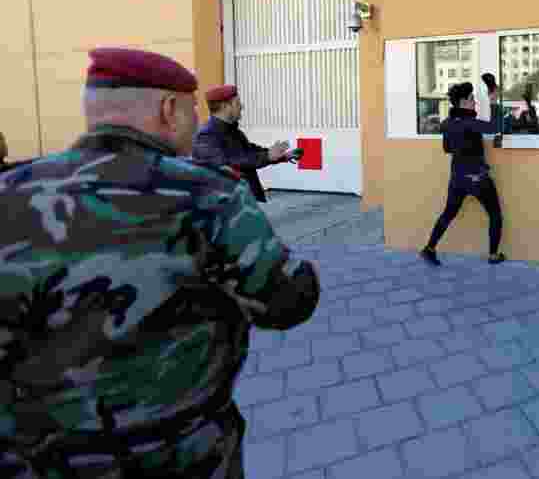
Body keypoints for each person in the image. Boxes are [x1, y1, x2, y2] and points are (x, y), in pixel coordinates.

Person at [0, 48, 320, 478]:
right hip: (185, 455)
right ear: (170, 110)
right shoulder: (206, 194)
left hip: (44, 461)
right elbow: (287, 302)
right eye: (191, 110)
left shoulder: (11, 195)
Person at [421, 78, 506, 266]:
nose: (475, 102)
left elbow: (447, 149)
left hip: (457, 178)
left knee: (448, 213)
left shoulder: (449, 123)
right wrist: (493, 100)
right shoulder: (469, 122)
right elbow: (495, 127)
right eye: (472, 99)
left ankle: (429, 248)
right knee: (495, 214)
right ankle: (493, 255)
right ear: (463, 102)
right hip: (478, 178)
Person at [192, 84, 298, 203]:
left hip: (245, 201)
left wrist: (281, 156)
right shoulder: (206, 136)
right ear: (225, 106)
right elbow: (228, 164)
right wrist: (267, 156)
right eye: (237, 103)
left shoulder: (234, 131)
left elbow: (250, 151)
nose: (242, 107)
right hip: (227, 206)